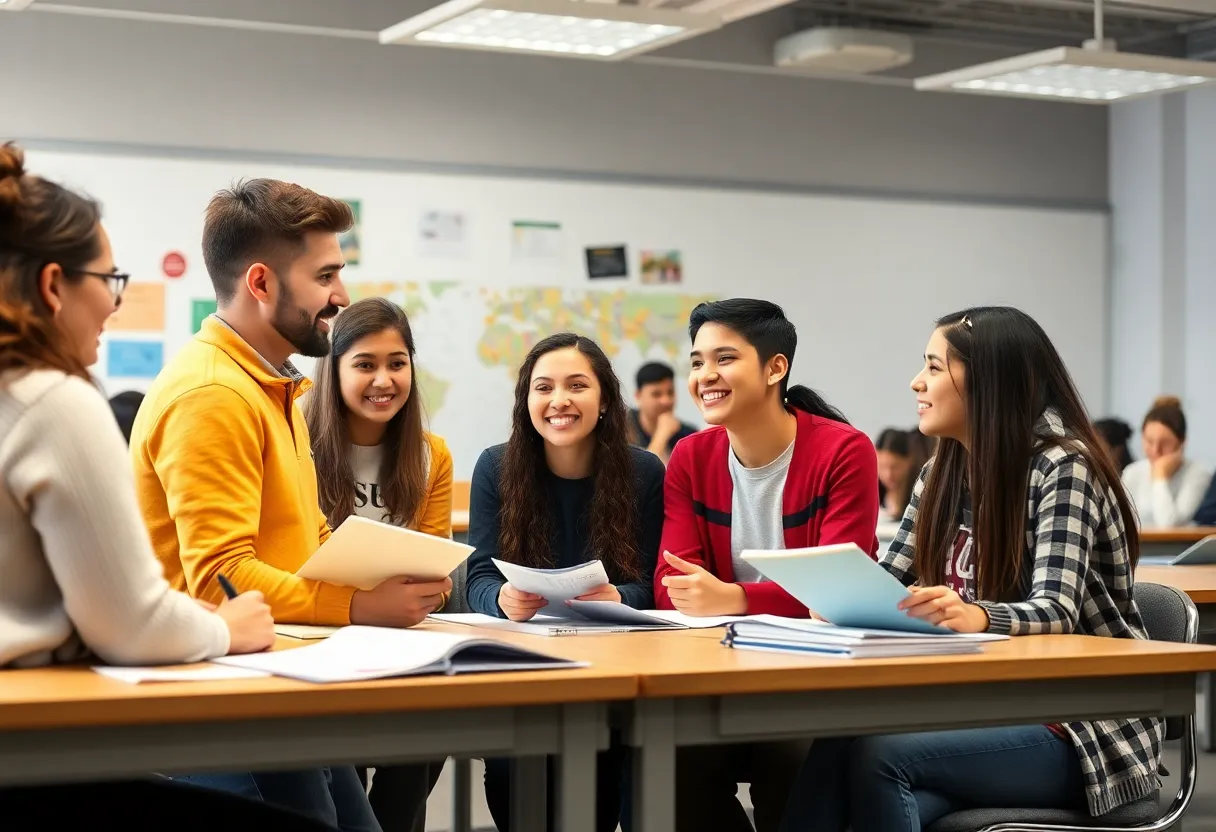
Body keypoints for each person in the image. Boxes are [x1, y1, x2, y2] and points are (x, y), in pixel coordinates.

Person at [0, 144, 330, 829]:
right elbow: (129, 623)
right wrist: (224, 626)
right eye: (108, 279)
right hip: (33, 749)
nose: (114, 304)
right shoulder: (53, 401)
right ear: (55, 285)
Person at [130, 179, 449, 831]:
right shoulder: (213, 395)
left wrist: (377, 580)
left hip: (280, 683)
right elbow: (222, 581)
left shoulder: (272, 387)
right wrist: (360, 604)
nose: (341, 295)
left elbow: (300, 541)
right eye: (325, 274)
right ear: (261, 283)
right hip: (225, 707)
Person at [779, 307, 1162, 832]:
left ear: (990, 381)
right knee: (841, 741)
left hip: (1083, 725)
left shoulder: (1062, 466)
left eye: (935, 368)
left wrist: (977, 616)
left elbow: (1056, 610)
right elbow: (887, 580)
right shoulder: (942, 468)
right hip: (983, 705)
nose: (917, 382)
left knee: (881, 757)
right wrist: (841, 599)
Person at [653, 299, 880, 832]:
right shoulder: (691, 456)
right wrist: (734, 599)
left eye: (724, 359)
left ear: (775, 368)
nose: (706, 375)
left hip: (810, 684)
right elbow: (673, 587)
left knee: (795, 759)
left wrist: (737, 599)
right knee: (658, 762)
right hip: (715, 676)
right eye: (697, 361)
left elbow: (841, 594)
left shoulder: (844, 452)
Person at [465, 332, 664, 832]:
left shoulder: (643, 472)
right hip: (523, 668)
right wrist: (502, 599)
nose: (559, 400)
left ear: (604, 401)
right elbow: (479, 578)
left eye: (577, 385)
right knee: (514, 777)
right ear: (526, 400)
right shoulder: (495, 467)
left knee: (604, 778)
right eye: (543, 387)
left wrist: (620, 596)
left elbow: (654, 586)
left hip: (612, 671)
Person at [303, 296, 451, 832]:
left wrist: (427, 591)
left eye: (397, 362)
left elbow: (439, 572)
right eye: (364, 364)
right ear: (334, 369)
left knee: (429, 736)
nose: (383, 379)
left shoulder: (431, 454)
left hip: (399, 642)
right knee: (342, 766)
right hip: (316, 634)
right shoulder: (299, 439)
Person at [1121, 396, 1211, 527]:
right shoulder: (1132, 472)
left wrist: (1160, 477)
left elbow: (1169, 524)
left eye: (1165, 443)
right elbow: (1122, 523)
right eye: (1149, 441)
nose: (1155, 450)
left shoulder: (1198, 474)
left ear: (1182, 443)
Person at [629, 360, 698, 465]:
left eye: (670, 392)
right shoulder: (621, 429)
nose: (666, 401)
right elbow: (639, 477)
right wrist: (661, 435)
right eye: (656, 394)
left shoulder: (688, 435)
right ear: (638, 396)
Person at [875, 427, 932, 523]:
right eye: (882, 467)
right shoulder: (872, 492)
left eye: (895, 467)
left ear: (909, 460)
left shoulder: (922, 494)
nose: (889, 474)